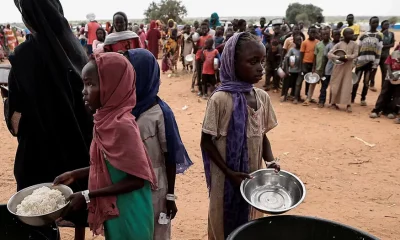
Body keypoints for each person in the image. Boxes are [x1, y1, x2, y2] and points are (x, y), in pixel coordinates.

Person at [4, 1, 93, 239]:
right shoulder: (75, 47)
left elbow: (16, 119)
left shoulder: (24, 57)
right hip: (78, 151)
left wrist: (8, 102)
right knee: (77, 204)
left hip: (38, 154)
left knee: (36, 212)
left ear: (29, 18)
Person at [55, 53, 156, 239]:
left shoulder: (122, 125)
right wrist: (75, 174)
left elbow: (136, 180)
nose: (84, 91)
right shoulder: (104, 121)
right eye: (84, 84)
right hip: (115, 208)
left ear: (113, 87)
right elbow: (110, 164)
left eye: (91, 84)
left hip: (131, 211)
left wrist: (88, 195)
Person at [200, 32, 280, 240]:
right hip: (226, 178)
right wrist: (229, 172)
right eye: (253, 62)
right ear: (232, 63)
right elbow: (206, 142)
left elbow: (261, 135)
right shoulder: (220, 99)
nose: (260, 68)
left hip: (253, 175)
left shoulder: (261, 97)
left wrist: (270, 163)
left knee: (250, 224)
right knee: (223, 222)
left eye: (262, 61)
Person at [125, 49, 193, 240]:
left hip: (155, 186)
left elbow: (170, 157)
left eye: (132, 74)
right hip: (129, 184)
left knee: (156, 231)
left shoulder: (160, 113)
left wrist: (170, 197)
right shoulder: (124, 109)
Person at [351, 16, 383, 106]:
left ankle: (363, 99)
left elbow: (379, 51)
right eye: (373, 22)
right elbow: (358, 49)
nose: (375, 24)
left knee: (366, 82)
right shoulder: (363, 35)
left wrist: (375, 64)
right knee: (356, 81)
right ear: (370, 23)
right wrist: (355, 61)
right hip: (360, 62)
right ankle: (352, 97)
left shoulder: (379, 37)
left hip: (370, 63)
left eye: (377, 22)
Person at [328, 28, 359, 113]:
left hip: (348, 68)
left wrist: (346, 57)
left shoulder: (354, 44)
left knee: (347, 86)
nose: (352, 35)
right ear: (344, 35)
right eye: (350, 34)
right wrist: (339, 58)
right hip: (338, 68)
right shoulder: (339, 44)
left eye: (352, 34)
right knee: (335, 85)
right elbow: (329, 54)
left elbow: (356, 54)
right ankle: (333, 103)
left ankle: (348, 104)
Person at [370, 46, 400, 121]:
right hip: (389, 76)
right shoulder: (394, 53)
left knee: (396, 95)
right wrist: (390, 73)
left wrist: (398, 75)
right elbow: (388, 63)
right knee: (384, 92)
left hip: (399, 78)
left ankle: (392, 111)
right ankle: (377, 110)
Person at [303, 29, 330, 106]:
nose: (325, 36)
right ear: (321, 35)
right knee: (313, 83)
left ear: (329, 35)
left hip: (327, 69)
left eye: (327, 34)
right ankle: (308, 98)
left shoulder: (332, 45)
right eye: (324, 34)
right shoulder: (318, 45)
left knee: (324, 85)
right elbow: (315, 56)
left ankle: (321, 101)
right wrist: (313, 67)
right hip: (318, 67)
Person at [369, 20, 395, 90]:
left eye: (388, 25)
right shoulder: (378, 34)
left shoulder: (391, 34)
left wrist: (383, 46)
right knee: (374, 70)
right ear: (381, 26)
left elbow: (392, 44)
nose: (387, 26)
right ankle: (371, 84)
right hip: (377, 55)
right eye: (385, 25)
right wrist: (385, 46)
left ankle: (383, 86)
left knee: (385, 71)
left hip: (386, 55)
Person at [318, 29, 341, 108]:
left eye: (339, 34)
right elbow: (324, 59)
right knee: (324, 86)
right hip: (328, 70)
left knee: (334, 88)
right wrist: (323, 71)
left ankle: (333, 103)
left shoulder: (342, 46)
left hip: (338, 70)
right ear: (332, 36)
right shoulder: (329, 46)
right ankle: (321, 101)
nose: (337, 36)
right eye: (335, 34)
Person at [298, 26, 319, 104]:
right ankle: (298, 96)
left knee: (310, 81)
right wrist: (301, 66)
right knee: (302, 79)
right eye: (311, 32)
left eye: (314, 32)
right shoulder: (304, 42)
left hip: (313, 64)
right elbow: (301, 54)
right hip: (305, 63)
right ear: (308, 33)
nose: (313, 34)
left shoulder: (318, 42)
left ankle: (308, 96)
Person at [194, 22, 213, 94]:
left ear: (208, 29)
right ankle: (200, 90)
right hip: (198, 57)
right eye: (202, 28)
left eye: (205, 28)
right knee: (198, 74)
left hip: (205, 58)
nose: (204, 30)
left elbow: (207, 46)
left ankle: (204, 90)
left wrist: (201, 48)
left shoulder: (209, 37)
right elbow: (195, 49)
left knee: (203, 75)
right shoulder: (199, 38)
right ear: (200, 29)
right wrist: (193, 42)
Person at [282, 35, 303, 102]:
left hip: (299, 71)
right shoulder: (292, 50)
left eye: (300, 40)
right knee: (287, 84)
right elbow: (286, 59)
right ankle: (284, 96)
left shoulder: (302, 50)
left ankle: (296, 97)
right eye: (297, 40)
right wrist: (287, 70)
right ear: (294, 41)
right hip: (291, 70)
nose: (299, 42)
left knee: (297, 84)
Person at [264, 23, 284, 92]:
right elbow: (262, 32)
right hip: (270, 56)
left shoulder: (281, 36)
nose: (276, 29)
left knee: (276, 73)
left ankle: (276, 86)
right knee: (268, 72)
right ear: (273, 29)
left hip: (277, 58)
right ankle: (267, 85)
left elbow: (289, 33)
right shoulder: (271, 36)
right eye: (275, 28)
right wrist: (268, 24)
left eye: (278, 28)